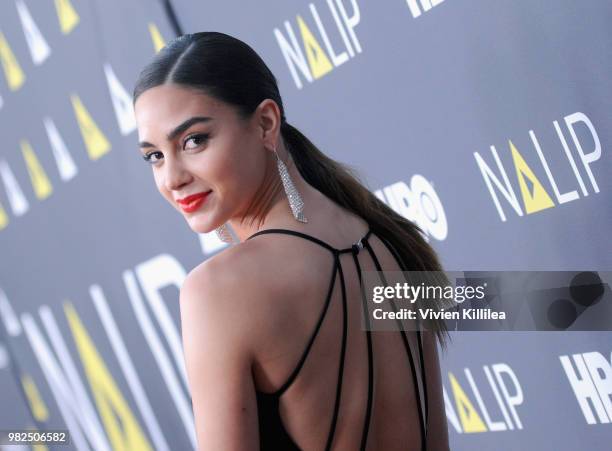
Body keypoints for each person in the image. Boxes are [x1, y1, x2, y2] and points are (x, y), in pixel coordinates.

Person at [133, 31, 451, 451]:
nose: (172, 177)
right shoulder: (392, 238)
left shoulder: (218, 291)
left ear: (266, 123)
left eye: (194, 141)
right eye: (154, 155)